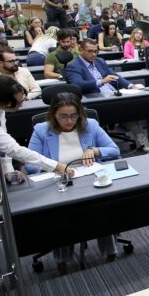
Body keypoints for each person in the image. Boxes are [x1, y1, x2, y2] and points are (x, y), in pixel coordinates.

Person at [26, 92, 120, 275]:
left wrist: (96, 151)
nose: (69, 121)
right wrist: (54, 166)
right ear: (54, 115)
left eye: (73, 115)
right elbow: (30, 165)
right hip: (58, 183)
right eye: (63, 116)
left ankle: (110, 253)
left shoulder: (90, 125)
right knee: (61, 215)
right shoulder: (41, 130)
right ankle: (62, 261)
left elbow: (114, 150)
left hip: (91, 180)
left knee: (103, 207)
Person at [65, 39, 149, 152]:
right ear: (80, 50)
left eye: (96, 51)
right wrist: (101, 82)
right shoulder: (73, 66)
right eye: (90, 51)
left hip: (112, 96)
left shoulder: (100, 61)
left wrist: (130, 85)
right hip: (95, 100)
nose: (94, 54)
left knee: (132, 109)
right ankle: (104, 150)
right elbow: (77, 85)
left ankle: (144, 144)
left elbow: (114, 76)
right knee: (126, 110)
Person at [0, 76, 74, 182]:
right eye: (18, 102)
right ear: (1, 101)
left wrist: (8, 171)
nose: (21, 105)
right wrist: (56, 166)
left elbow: (2, 147)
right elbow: (12, 148)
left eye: (22, 99)